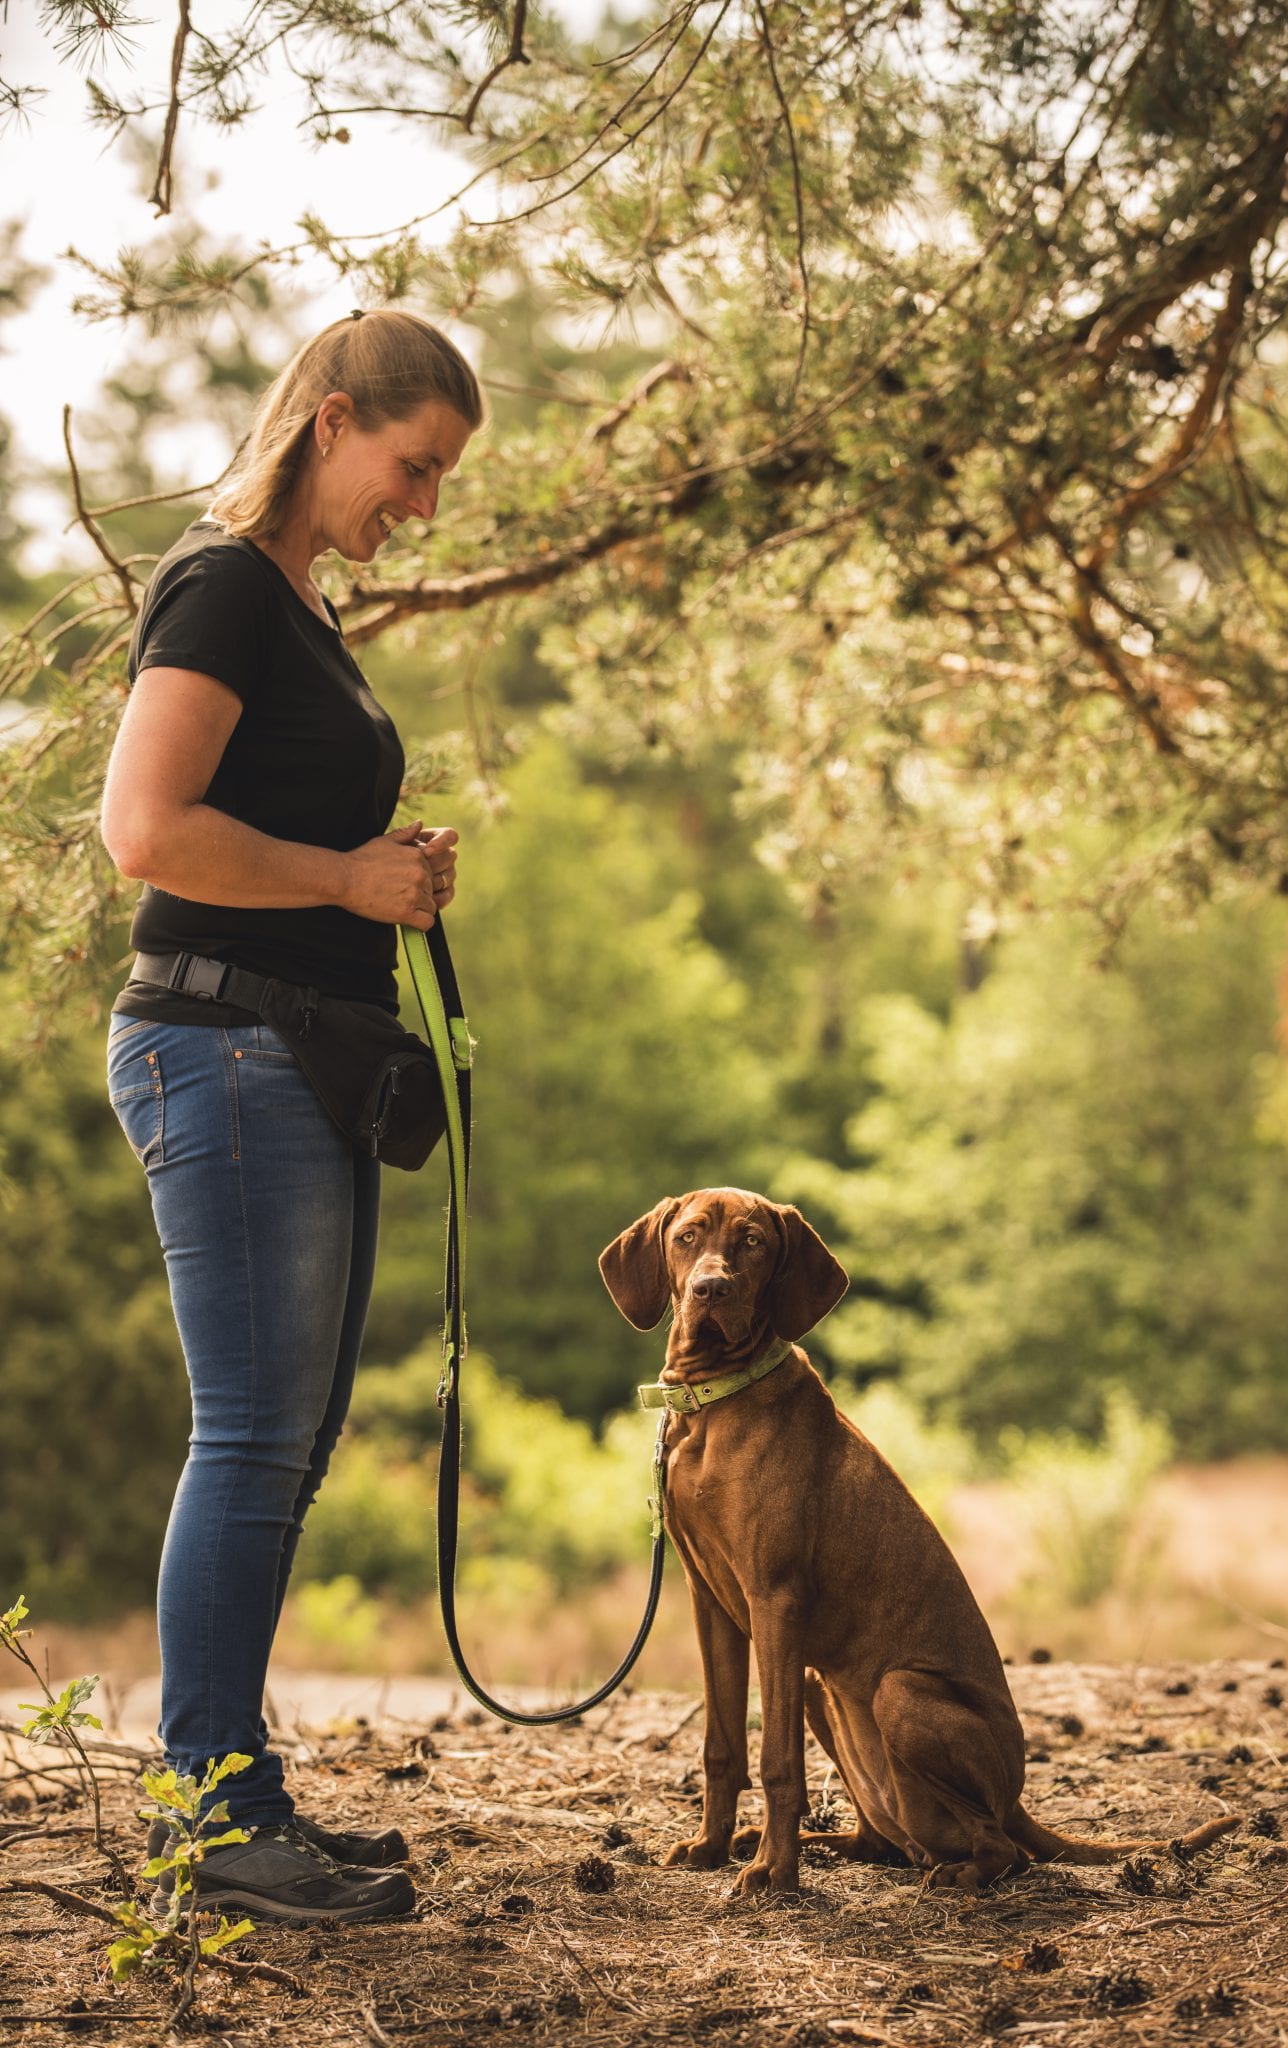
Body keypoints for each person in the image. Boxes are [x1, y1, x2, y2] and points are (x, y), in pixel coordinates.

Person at [100, 308, 484, 1925]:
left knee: (289, 1444)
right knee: (254, 1438)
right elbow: (144, 829)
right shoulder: (224, 586)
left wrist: (386, 882)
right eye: (414, 465)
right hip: (225, 1053)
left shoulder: (303, 612)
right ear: (331, 421)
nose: (427, 503)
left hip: (296, 1055)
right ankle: (205, 1814)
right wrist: (344, 875)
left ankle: (241, 1790)